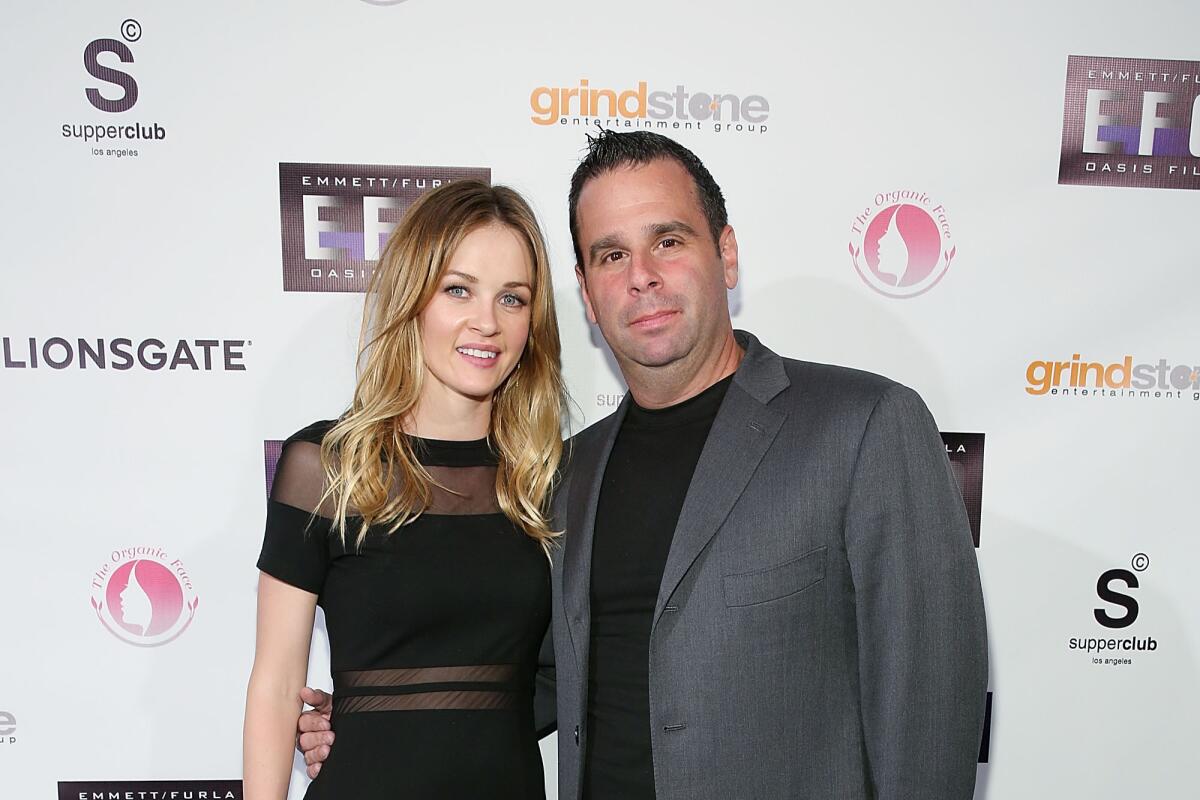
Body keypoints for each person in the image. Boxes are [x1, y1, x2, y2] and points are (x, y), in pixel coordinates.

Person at [301, 131, 989, 799]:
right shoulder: (567, 472)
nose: (642, 277)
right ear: (586, 292)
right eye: (610, 255)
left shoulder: (863, 425)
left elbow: (929, 698)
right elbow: (539, 675)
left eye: (668, 240)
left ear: (727, 255)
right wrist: (381, 720)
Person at [244, 179, 565, 800]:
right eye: (458, 289)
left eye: (513, 299)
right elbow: (277, 682)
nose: (487, 322)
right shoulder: (327, 466)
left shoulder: (544, 480)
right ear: (413, 297)